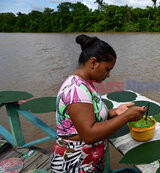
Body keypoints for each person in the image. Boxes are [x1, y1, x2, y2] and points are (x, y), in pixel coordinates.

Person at [50, 34, 146, 173]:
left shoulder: (87, 84)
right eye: (107, 69)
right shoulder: (75, 89)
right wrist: (126, 117)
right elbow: (89, 135)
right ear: (93, 62)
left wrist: (115, 112)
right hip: (74, 163)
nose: (108, 75)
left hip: (88, 161)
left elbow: (90, 114)